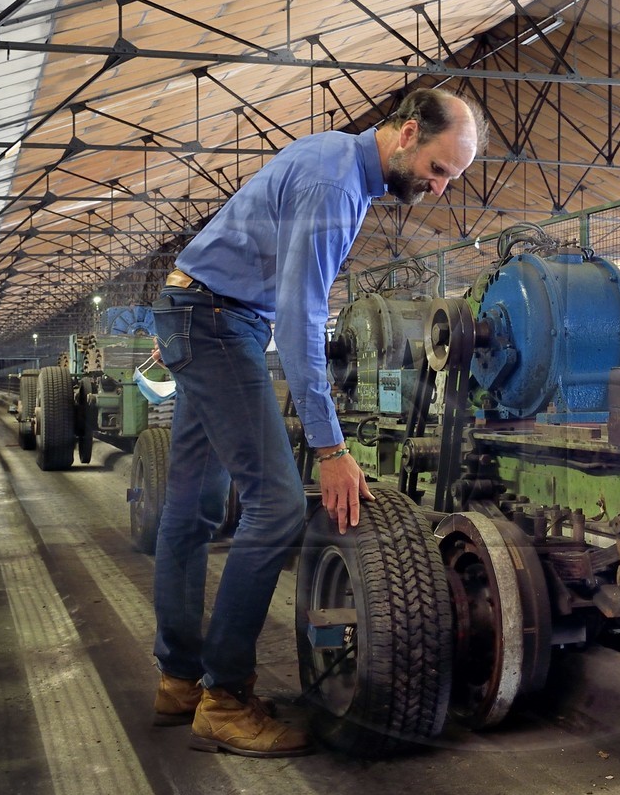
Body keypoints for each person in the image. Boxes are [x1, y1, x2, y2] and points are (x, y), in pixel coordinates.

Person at [148, 87, 487, 757]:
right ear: (407, 133)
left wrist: (181, 304)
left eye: (451, 178)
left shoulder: (334, 161)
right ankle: (224, 695)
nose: (441, 189)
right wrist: (331, 446)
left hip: (199, 309)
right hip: (219, 323)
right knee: (274, 505)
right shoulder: (335, 184)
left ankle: (180, 679)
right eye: (440, 169)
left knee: (191, 507)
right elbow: (300, 323)